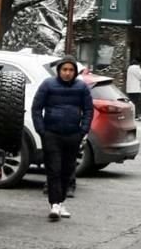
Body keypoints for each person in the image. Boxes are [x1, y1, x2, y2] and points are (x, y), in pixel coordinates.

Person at [31, 56, 93, 221]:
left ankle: (61, 201)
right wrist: (41, 130)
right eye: (64, 69)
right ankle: (54, 204)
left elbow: (88, 110)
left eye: (71, 70)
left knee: (67, 170)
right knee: (54, 169)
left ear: (75, 72)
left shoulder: (81, 87)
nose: (67, 73)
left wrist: (83, 131)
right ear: (59, 71)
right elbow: (36, 108)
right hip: (51, 133)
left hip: (73, 134)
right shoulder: (48, 85)